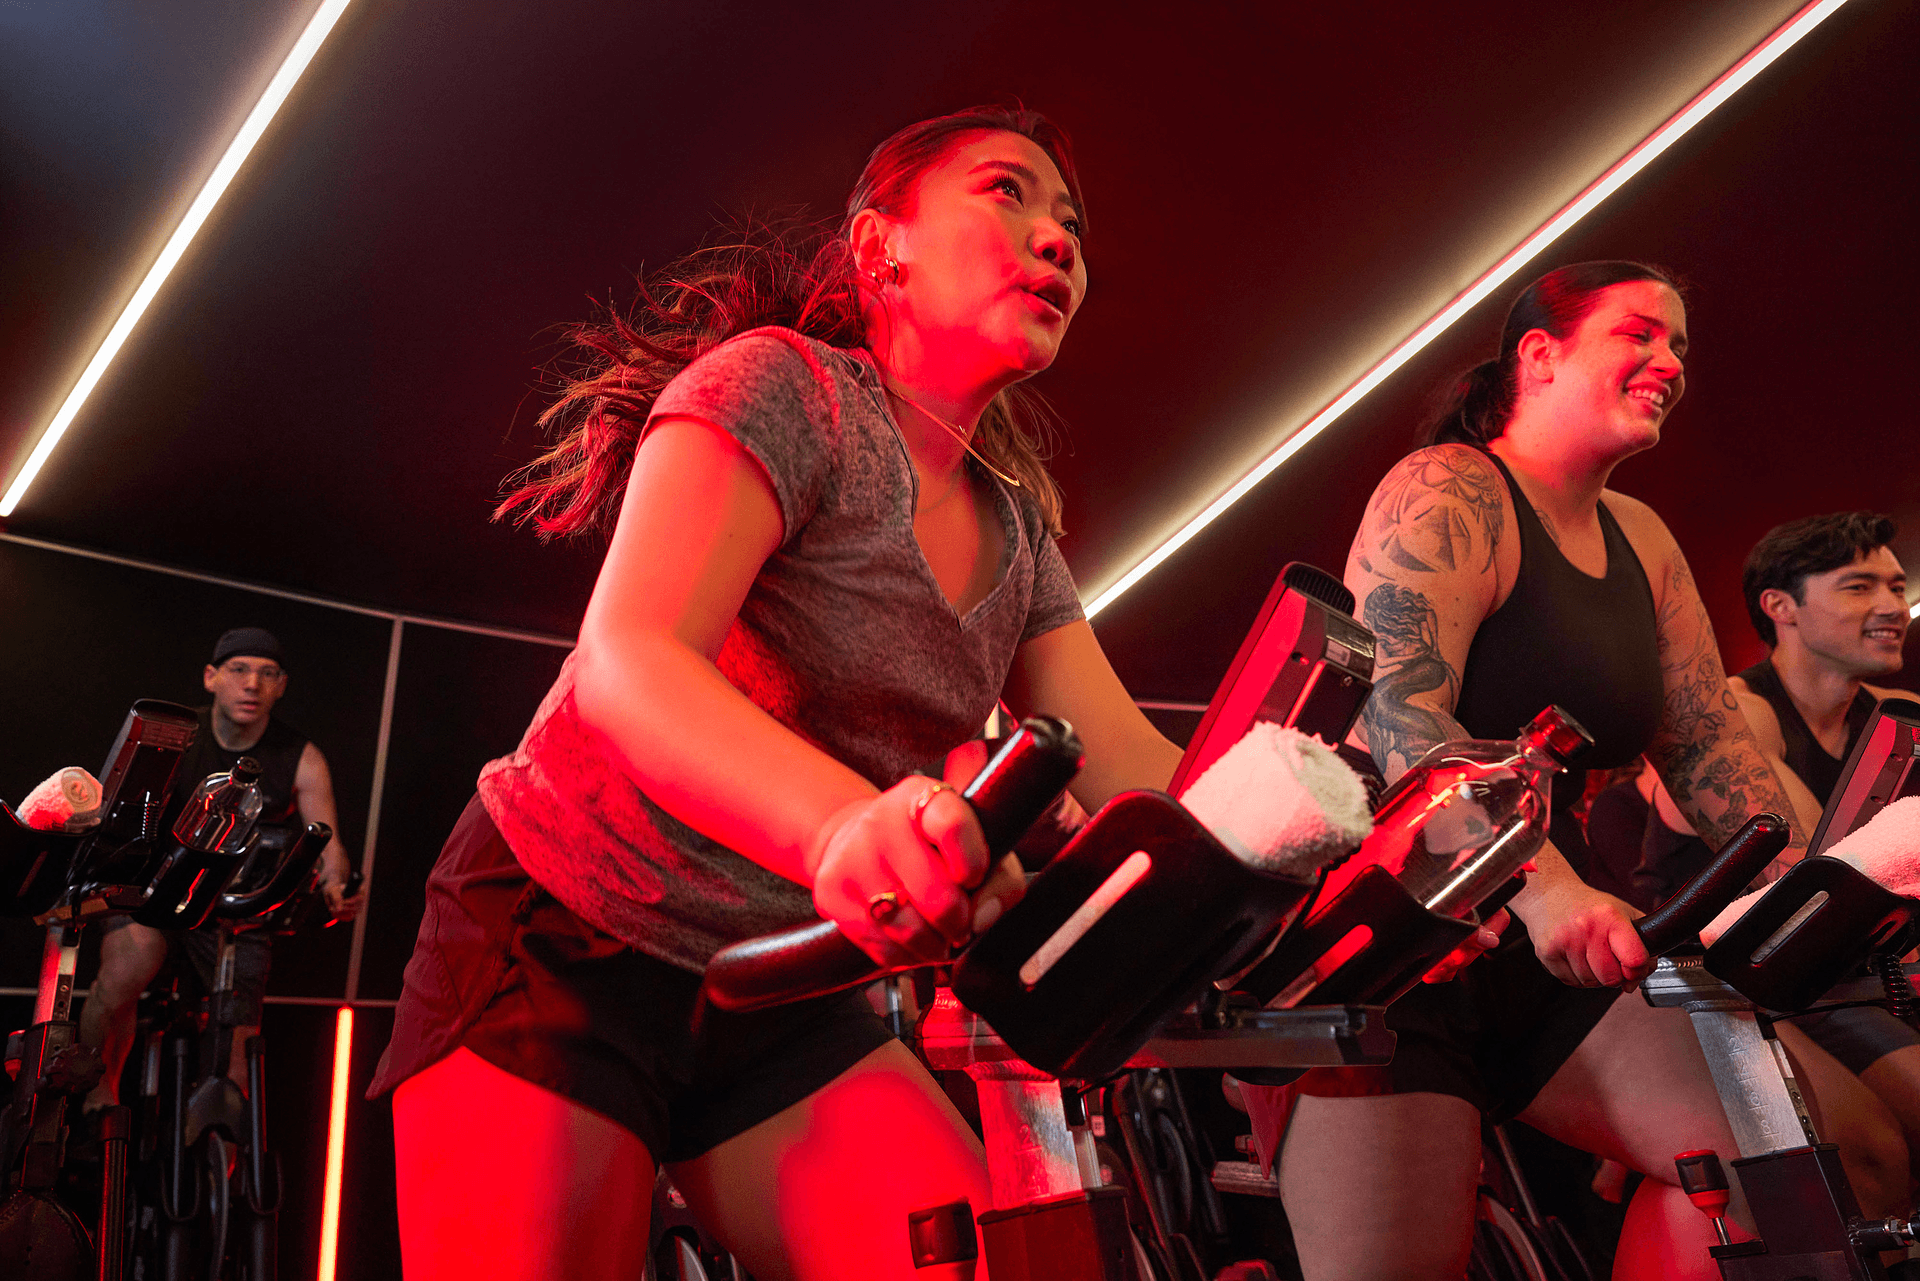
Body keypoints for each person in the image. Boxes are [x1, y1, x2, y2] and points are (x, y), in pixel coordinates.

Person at [370, 106, 1190, 1281]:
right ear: (878, 250)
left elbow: (1136, 772)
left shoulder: (1019, 531)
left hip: (778, 982)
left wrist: (1327, 836)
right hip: (562, 938)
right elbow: (629, 657)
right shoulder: (790, 394)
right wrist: (843, 822)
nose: (1058, 239)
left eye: (1070, 222)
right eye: (1009, 194)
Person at [1277, 262, 1817, 1280]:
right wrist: (1548, 886)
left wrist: (1820, 889)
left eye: (1681, 346)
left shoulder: (1642, 539)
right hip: (1394, 939)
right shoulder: (1448, 488)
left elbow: (1708, 748)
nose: (1670, 363)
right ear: (1540, 353)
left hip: (1548, 936)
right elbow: (1398, 717)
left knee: (1810, 1163)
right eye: (1640, 335)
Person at [1588, 512, 1916, 1208]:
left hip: (1838, 970)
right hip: (1731, 980)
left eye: (1895, 585)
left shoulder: (1898, 714)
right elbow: (1814, 873)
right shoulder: (1735, 718)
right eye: (1858, 587)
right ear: (1780, 607)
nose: (1891, 606)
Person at [79, 627, 367, 1110]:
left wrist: (338, 884)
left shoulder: (301, 757)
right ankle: (94, 1098)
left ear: (281, 685)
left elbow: (326, 837)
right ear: (212, 678)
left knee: (237, 1030)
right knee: (128, 968)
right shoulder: (177, 740)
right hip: (155, 890)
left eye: (267, 673)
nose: (252, 684)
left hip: (233, 905)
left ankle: (222, 1159)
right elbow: (118, 816)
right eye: (239, 670)